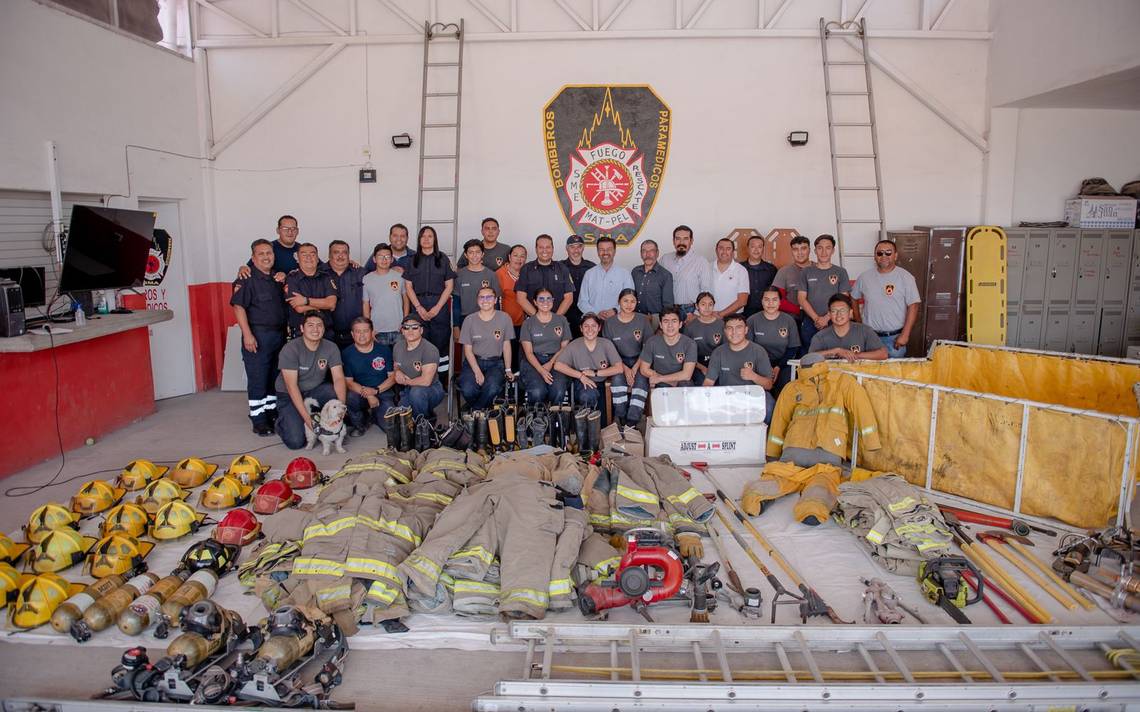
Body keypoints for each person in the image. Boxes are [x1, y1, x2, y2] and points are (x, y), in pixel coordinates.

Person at [230, 239, 288, 436]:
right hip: (258, 335)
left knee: (273, 376)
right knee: (258, 378)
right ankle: (258, 419)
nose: (266, 257)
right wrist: (247, 334)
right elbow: (239, 307)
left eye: (269, 253)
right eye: (261, 254)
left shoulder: (276, 278)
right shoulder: (246, 279)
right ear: (253, 258)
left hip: (278, 335)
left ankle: (270, 412)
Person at [274, 312, 347, 450]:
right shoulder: (290, 349)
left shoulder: (331, 347)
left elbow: (338, 378)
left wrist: (341, 410)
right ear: (302, 328)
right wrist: (308, 421)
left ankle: (324, 420)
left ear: (324, 329)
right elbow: (292, 386)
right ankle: (282, 421)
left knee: (337, 394)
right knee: (295, 441)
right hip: (289, 394)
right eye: (310, 325)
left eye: (319, 325)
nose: (315, 329)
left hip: (315, 390)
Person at [624, 307, 697, 426]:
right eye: (666, 321)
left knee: (686, 384)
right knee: (640, 377)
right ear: (661, 325)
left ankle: (682, 423)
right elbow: (644, 369)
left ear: (680, 324)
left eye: (674, 321)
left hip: (677, 382)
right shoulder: (652, 342)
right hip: (658, 380)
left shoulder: (689, 344)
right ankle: (632, 422)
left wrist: (660, 378)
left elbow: (686, 375)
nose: (670, 325)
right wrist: (658, 378)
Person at [403, 226, 456, 384]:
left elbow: (449, 286)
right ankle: (421, 382)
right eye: (423, 236)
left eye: (430, 236)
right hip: (418, 305)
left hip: (438, 306)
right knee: (418, 346)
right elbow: (408, 287)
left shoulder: (443, 259)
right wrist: (419, 307)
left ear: (435, 239)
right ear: (419, 239)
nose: (426, 239)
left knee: (441, 347)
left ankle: (442, 383)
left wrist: (437, 308)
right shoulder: (412, 260)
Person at [852, 239, 921, 358]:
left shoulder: (906, 277)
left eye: (888, 252)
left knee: (894, 370)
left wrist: (905, 334)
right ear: (875, 256)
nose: (884, 256)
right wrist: (859, 323)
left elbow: (913, 306)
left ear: (895, 256)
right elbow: (854, 298)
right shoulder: (864, 277)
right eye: (880, 253)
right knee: (870, 369)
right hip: (870, 337)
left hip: (894, 339)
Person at [704, 313, 776, 425]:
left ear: (746, 330)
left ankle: (764, 435)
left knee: (769, 404)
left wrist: (753, 376)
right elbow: (708, 382)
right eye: (730, 328)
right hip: (727, 397)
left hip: (753, 396)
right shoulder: (718, 352)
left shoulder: (758, 351)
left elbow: (769, 385)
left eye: (739, 328)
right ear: (725, 331)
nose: (734, 332)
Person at [457, 286, 516, 410]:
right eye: (481, 297)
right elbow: (467, 350)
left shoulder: (505, 318)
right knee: (468, 389)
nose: (485, 300)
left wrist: (508, 369)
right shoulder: (469, 320)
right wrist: (477, 371)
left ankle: (475, 410)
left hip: (496, 363)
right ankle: (483, 409)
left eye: (489, 297)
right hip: (473, 362)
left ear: (495, 300)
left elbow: (506, 345)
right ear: (477, 300)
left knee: (492, 387)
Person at [553, 313, 623, 413]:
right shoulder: (574, 345)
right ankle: (585, 420)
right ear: (581, 328)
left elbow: (619, 368)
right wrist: (580, 376)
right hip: (582, 384)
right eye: (586, 326)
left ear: (599, 328)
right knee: (587, 396)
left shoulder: (606, 343)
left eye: (593, 326)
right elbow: (558, 365)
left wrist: (595, 373)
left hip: (602, 383)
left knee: (603, 418)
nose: (590, 329)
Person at [602, 288, 652, 425]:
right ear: (619, 301)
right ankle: (621, 418)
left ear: (636, 303)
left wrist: (635, 367)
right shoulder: (610, 322)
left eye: (632, 301)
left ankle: (632, 421)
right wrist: (625, 369)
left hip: (640, 360)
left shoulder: (643, 320)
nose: (629, 304)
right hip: (618, 361)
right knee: (618, 380)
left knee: (641, 382)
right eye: (625, 301)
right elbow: (608, 350)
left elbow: (648, 347)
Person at [342, 317, 397, 436]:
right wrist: (369, 394)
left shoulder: (384, 350)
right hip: (359, 393)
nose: (362, 335)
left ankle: (376, 415)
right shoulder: (347, 353)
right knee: (350, 397)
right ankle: (361, 423)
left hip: (382, 391)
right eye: (358, 331)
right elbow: (349, 382)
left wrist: (375, 391)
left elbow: (392, 377)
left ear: (372, 332)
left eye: (365, 331)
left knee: (391, 428)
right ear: (352, 334)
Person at [518, 287, 571, 406]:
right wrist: (542, 370)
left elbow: (564, 347)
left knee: (558, 390)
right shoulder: (528, 323)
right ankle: (536, 416)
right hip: (533, 361)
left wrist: (551, 363)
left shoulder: (561, 320)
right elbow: (528, 353)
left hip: (557, 360)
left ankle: (554, 415)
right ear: (535, 302)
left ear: (553, 301)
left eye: (548, 299)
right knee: (537, 391)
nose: (545, 302)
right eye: (541, 299)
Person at [797, 234, 851, 348]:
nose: (824, 252)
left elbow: (844, 299)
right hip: (810, 322)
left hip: (835, 321)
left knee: (835, 354)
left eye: (828, 248)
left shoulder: (841, 272)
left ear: (833, 251)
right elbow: (801, 299)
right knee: (810, 354)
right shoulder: (806, 272)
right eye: (820, 248)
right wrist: (817, 319)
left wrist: (827, 318)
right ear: (815, 251)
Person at [747, 288, 801, 396]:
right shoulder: (752, 320)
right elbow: (748, 348)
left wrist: (778, 367)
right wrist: (766, 367)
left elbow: (793, 348)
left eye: (774, 300)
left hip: (783, 363)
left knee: (786, 386)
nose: (770, 303)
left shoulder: (789, 320)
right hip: (758, 363)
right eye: (766, 299)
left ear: (780, 302)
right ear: (761, 301)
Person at [393, 314, 445, 420]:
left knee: (417, 394)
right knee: (401, 417)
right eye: (406, 327)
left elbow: (426, 381)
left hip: (431, 389)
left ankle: (424, 423)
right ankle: (428, 415)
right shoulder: (398, 346)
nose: (410, 331)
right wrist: (397, 372)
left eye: (415, 327)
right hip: (409, 389)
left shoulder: (429, 350)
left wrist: (405, 381)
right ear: (402, 330)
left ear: (421, 330)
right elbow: (396, 365)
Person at [809, 293, 888, 361]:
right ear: (829, 314)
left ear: (850, 313)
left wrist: (853, 355)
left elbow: (883, 354)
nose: (838, 315)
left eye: (843, 310)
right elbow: (809, 358)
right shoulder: (820, 336)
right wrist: (836, 351)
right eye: (834, 311)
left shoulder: (865, 331)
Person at [284, 242, 338, 338]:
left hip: (326, 332)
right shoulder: (292, 278)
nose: (309, 257)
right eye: (304, 255)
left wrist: (305, 301)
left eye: (312, 254)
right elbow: (299, 308)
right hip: (301, 334)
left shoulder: (326, 277)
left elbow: (331, 303)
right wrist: (321, 307)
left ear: (317, 259)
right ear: (297, 259)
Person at [453, 239, 503, 339]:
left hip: (487, 319)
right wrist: (456, 326)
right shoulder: (459, 275)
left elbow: (496, 303)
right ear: (466, 255)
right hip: (465, 320)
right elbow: (456, 304)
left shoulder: (491, 275)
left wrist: (496, 323)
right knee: (467, 348)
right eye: (471, 252)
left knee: (487, 347)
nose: (474, 255)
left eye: (477, 252)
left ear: (482, 254)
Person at [659, 225, 711, 321]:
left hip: (690, 311)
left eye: (685, 239)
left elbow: (705, 291)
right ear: (673, 241)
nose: (681, 242)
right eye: (678, 239)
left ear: (691, 241)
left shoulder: (701, 261)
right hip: (669, 310)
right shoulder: (665, 259)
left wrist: (696, 313)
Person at [516, 234, 574, 318]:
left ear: (552, 249)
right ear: (536, 249)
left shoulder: (562, 268)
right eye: (541, 247)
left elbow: (569, 298)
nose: (544, 250)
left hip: (557, 320)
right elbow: (521, 298)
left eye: (548, 247)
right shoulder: (526, 269)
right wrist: (538, 318)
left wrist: (555, 319)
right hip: (533, 320)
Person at [362, 243, 408, 346]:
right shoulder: (367, 279)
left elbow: (406, 300)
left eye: (387, 256)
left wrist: (405, 322)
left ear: (392, 259)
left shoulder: (399, 276)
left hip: (398, 329)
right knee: (381, 356)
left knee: (400, 356)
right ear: (374, 259)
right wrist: (369, 328)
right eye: (380, 256)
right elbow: (365, 304)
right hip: (377, 330)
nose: (384, 259)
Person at [577, 236, 633, 319]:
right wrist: (596, 313)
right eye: (601, 249)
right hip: (594, 322)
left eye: (609, 249)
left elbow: (630, 300)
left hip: (618, 321)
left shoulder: (625, 274)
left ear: (614, 251)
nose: (605, 252)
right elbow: (582, 302)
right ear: (597, 252)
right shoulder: (589, 274)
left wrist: (615, 310)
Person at [327, 240, 367, 349]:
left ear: (349, 255)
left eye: (344, 252)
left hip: (357, 334)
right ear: (329, 255)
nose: (340, 256)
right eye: (336, 252)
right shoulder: (320, 273)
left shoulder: (361, 273)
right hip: (327, 335)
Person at [682, 292, 725, 386]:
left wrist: (714, 369)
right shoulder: (690, 327)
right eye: (703, 304)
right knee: (702, 385)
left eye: (710, 304)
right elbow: (686, 354)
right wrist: (702, 368)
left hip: (718, 365)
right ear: (697, 306)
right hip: (697, 365)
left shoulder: (721, 325)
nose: (707, 308)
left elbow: (726, 350)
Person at [630, 239, 673, 332]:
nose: (648, 254)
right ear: (641, 254)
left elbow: (668, 305)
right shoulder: (635, 272)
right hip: (635, 317)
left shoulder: (665, 275)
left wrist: (661, 328)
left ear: (657, 253)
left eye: (651, 251)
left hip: (655, 320)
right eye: (644, 251)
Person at [498, 244, 528, 372]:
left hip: (524, 323)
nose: (519, 259)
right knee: (507, 356)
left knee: (521, 356)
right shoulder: (500, 274)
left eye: (522, 256)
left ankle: (518, 380)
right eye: (515, 255)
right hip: (505, 324)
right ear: (509, 257)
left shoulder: (527, 273)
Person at [561, 234, 596, 337]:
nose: (576, 250)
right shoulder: (560, 267)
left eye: (579, 246)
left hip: (586, 315)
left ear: (583, 248)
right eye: (572, 247)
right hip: (565, 315)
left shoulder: (592, 267)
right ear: (567, 248)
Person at [709, 237, 749, 317]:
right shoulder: (707, 267)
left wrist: (720, 314)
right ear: (716, 250)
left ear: (733, 252)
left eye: (728, 249)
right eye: (721, 248)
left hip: (734, 317)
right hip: (709, 316)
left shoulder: (741, 270)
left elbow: (742, 301)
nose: (724, 251)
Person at [741, 234, 777, 318]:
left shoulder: (771, 269)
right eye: (753, 246)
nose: (756, 250)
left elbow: (775, 292)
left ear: (763, 249)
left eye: (759, 247)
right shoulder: (739, 268)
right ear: (748, 248)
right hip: (743, 313)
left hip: (766, 312)